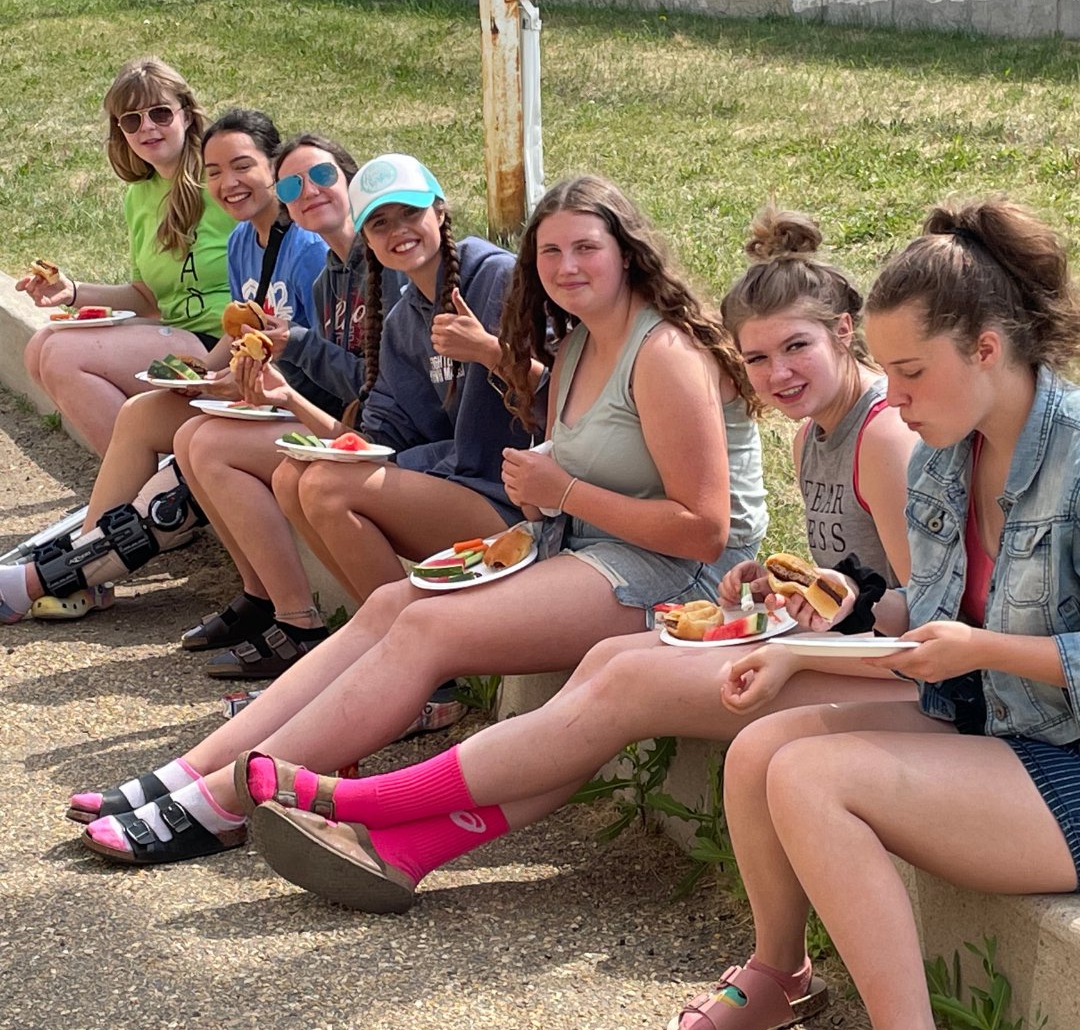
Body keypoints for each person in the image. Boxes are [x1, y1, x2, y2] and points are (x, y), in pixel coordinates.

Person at [196, 207, 922, 917]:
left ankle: (355, 801)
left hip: (913, 682)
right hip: (841, 644)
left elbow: (921, 611)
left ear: (843, 333)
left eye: (796, 349)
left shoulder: (881, 438)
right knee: (604, 671)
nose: (775, 375)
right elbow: (856, 586)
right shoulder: (812, 435)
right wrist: (779, 588)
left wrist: (824, 616)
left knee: (620, 678)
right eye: (757, 358)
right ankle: (403, 851)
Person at [70, 174, 768, 870]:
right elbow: (574, 458)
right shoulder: (583, 341)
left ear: (627, 251)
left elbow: (703, 530)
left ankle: (222, 803)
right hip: (587, 548)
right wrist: (545, 491)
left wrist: (563, 489)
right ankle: (188, 773)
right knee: (392, 603)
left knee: (427, 627)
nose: (566, 267)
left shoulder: (666, 353)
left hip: (686, 579)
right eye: (550, 253)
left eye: (585, 247)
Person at [656, 196, 1080, 1030]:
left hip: (1064, 757)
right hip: (989, 717)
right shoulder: (941, 449)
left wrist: (984, 648)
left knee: (814, 778)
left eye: (911, 373)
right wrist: (819, 627)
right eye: (886, 370)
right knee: (756, 752)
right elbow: (929, 606)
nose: (895, 396)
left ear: (988, 349)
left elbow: (982, 642)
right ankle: (781, 974)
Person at [173, 151, 537, 680]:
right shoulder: (402, 320)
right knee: (294, 474)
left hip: (520, 503)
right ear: (367, 240)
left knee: (325, 486)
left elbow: (560, 395)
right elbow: (370, 440)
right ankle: (386, 651)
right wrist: (288, 400)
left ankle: (415, 669)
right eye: (380, 223)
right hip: (457, 485)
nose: (399, 232)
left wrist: (489, 352)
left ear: (439, 210)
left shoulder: (495, 279)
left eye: (410, 213)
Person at [0, 111, 327, 624]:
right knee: (142, 414)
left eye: (243, 167)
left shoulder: (308, 248)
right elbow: (244, 331)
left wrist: (223, 384)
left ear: (275, 169)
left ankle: (50, 579)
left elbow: (312, 358)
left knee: (197, 444)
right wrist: (202, 375)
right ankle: (95, 568)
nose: (227, 183)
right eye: (214, 171)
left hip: (294, 408)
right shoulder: (245, 240)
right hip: (250, 393)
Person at [16, 57, 234, 456]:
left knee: (63, 355)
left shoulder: (220, 179)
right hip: (177, 334)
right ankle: (143, 483)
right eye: (131, 120)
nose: (147, 127)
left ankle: (140, 492)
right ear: (121, 132)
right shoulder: (140, 196)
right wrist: (72, 291)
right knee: (41, 345)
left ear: (186, 115)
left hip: (223, 344)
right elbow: (148, 299)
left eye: (160, 113)